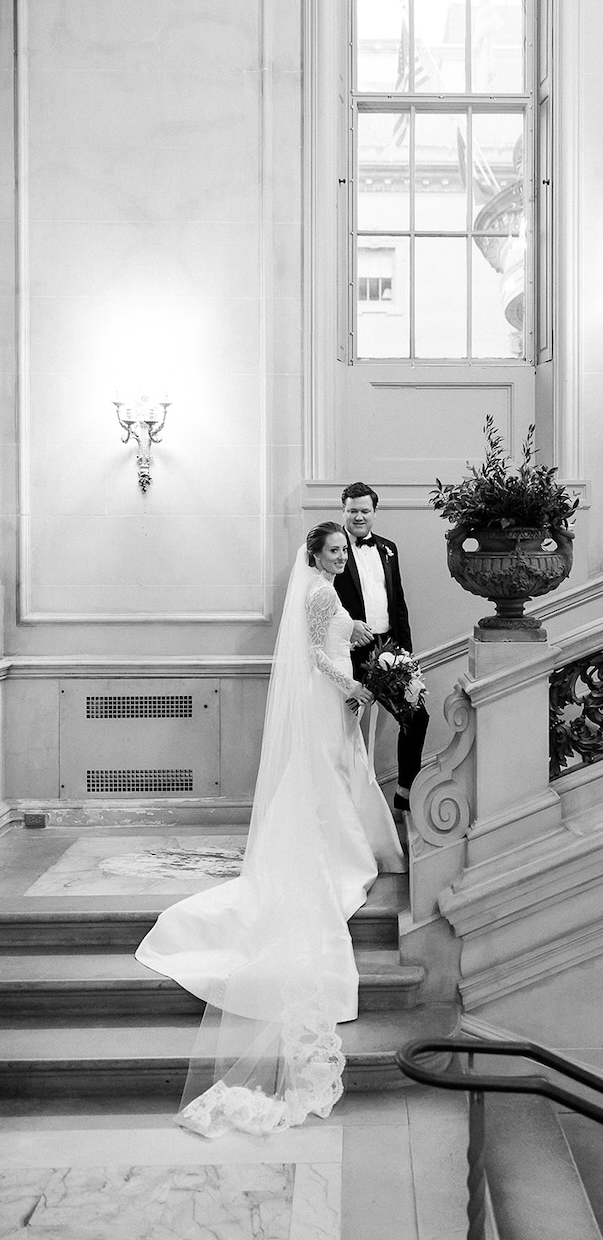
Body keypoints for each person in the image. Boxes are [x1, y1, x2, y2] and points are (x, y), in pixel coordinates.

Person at [135, 523, 404, 1137]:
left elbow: (335, 633)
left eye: (343, 550)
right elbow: (317, 655)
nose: (340, 557)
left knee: (340, 777)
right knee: (327, 784)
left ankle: (358, 844)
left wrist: (359, 636)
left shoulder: (324, 591)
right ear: (315, 555)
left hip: (334, 699)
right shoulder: (316, 593)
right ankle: (344, 853)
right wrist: (354, 684)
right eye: (332, 550)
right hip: (327, 695)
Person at [334, 481, 429, 815]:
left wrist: (406, 654)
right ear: (342, 510)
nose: (359, 516)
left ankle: (405, 793)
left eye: (365, 510)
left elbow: (398, 603)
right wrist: (347, 629)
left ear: (374, 512)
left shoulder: (389, 548)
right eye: (352, 510)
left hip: (388, 650)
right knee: (339, 727)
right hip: (347, 653)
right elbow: (318, 601)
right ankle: (341, 804)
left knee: (416, 717)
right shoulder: (333, 549)